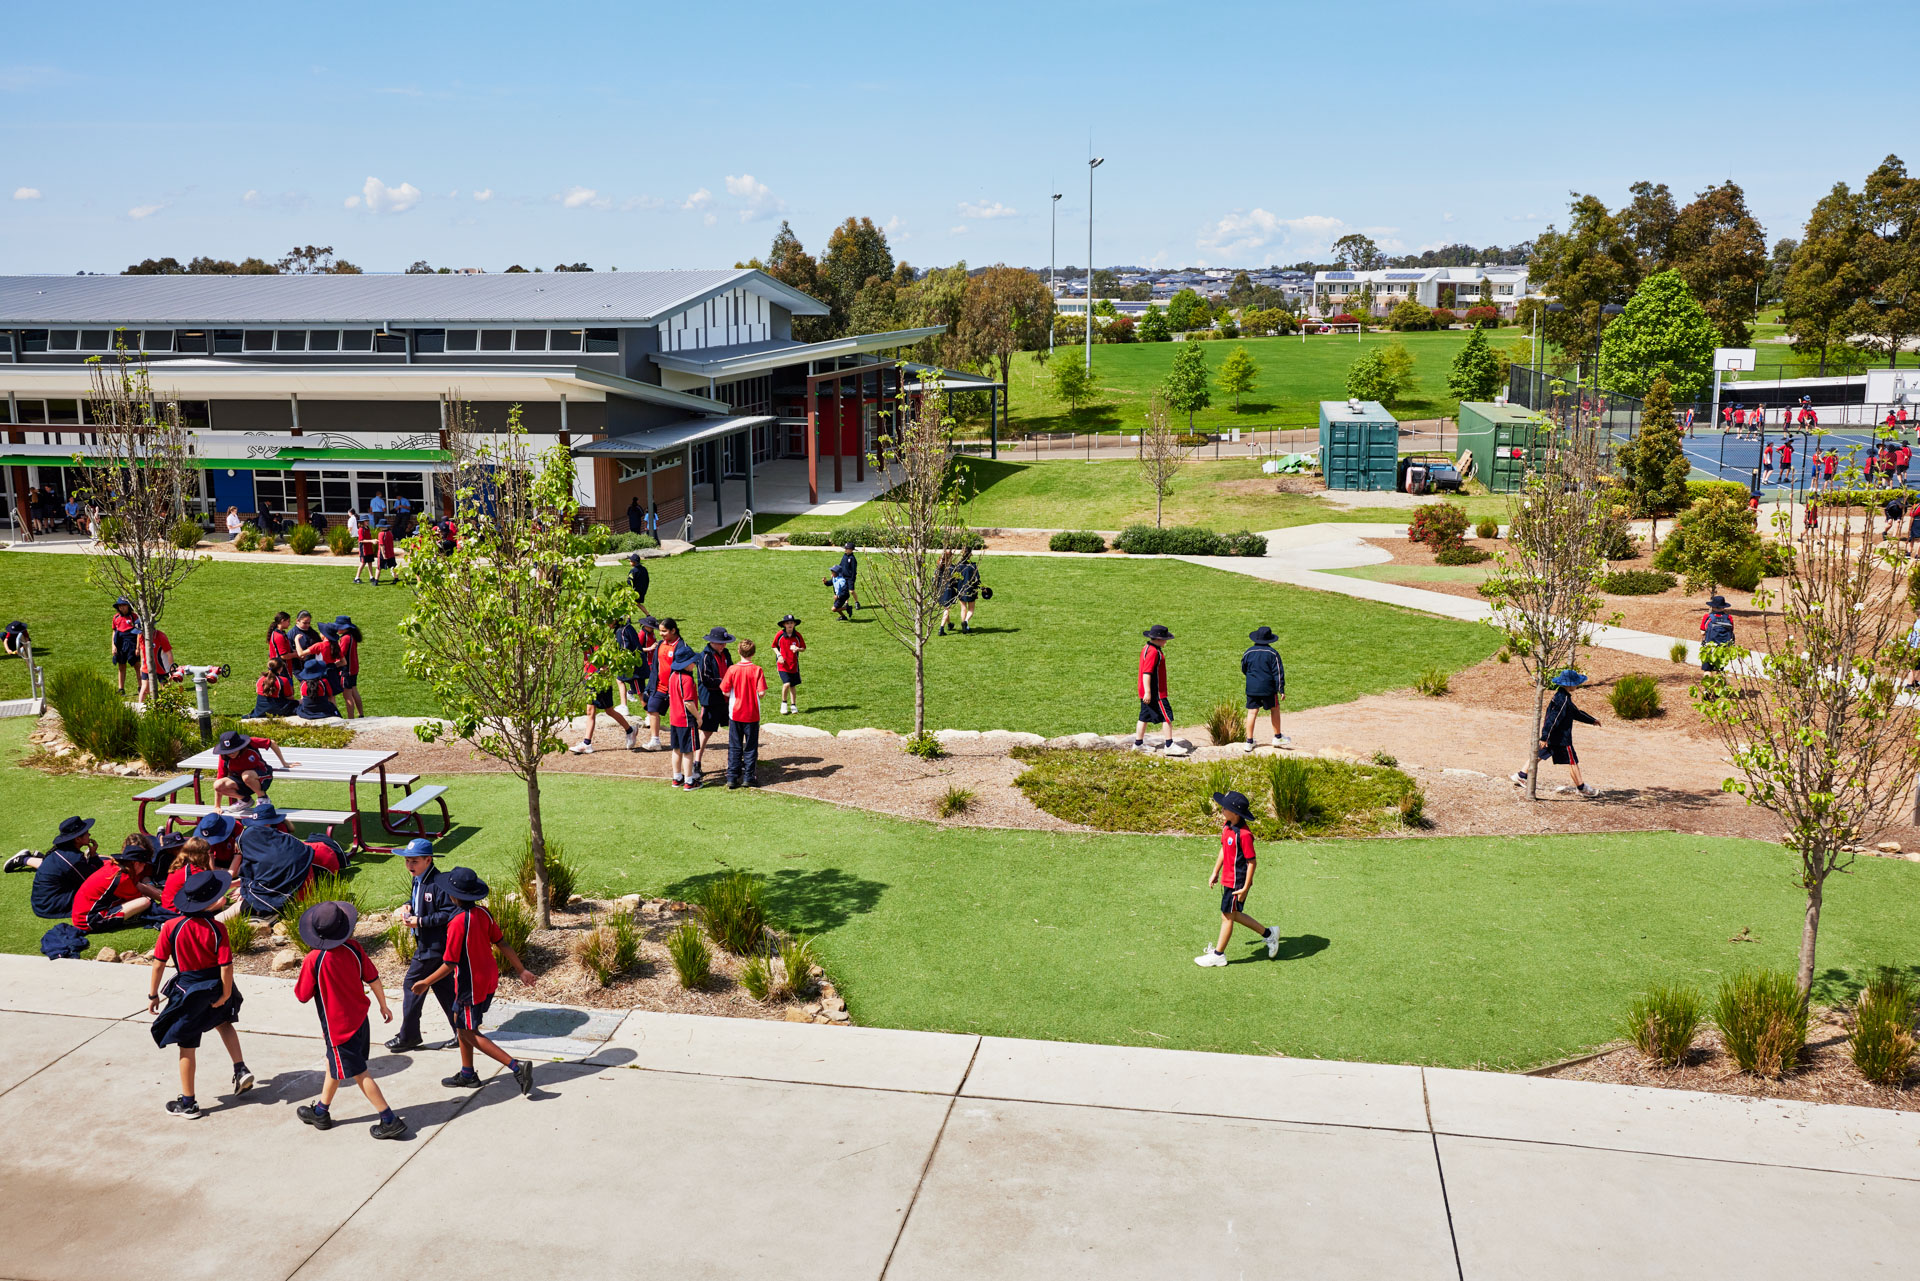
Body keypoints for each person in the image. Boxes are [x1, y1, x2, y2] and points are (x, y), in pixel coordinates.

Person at [412, 867, 537, 1097]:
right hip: (488, 977)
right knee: (461, 1023)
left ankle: (517, 1067)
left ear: (453, 896)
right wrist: (522, 970)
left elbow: (449, 963)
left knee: (468, 1032)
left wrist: (425, 982)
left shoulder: (457, 923)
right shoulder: (484, 913)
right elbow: (503, 943)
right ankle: (467, 1073)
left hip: (471, 984)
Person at [292, 901, 408, 1140]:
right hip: (360, 1021)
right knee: (333, 1064)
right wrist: (383, 1005)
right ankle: (321, 1112)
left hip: (338, 1029)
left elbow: (302, 995)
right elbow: (373, 977)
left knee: (359, 1073)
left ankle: (389, 1120)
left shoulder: (314, 959)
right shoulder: (354, 948)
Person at [148, 869, 252, 1119]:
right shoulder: (217, 928)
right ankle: (240, 1068)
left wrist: (153, 995)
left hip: (188, 992)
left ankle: (188, 1102)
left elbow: (159, 963)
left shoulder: (171, 927)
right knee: (224, 1022)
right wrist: (226, 994)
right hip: (215, 985)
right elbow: (226, 966)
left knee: (187, 1046)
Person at [385, 838, 460, 1053]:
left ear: (428, 860)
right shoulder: (418, 878)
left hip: (432, 947)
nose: (410, 865)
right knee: (444, 990)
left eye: (414, 861)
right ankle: (462, 1031)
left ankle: (409, 1036)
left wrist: (420, 921)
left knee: (412, 986)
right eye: (407, 861)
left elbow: (448, 913)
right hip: (427, 944)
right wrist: (410, 906)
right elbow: (420, 901)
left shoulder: (438, 883)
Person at [1194, 790, 1281, 968]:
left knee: (1227, 916)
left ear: (1235, 812)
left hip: (1237, 882)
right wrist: (1215, 872)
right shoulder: (1227, 827)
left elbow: (1252, 862)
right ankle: (1269, 934)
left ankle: (1218, 955)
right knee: (1233, 914)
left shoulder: (1245, 835)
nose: (1221, 809)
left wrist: (1246, 886)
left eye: (1224, 807)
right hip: (1227, 879)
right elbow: (1223, 850)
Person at [1511, 670, 1600, 797]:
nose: (1577, 685)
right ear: (1569, 685)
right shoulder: (1562, 700)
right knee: (1572, 761)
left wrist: (1592, 720)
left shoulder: (1562, 697)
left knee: (1540, 754)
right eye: (1575, 683)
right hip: (1561, 738)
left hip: (1553, 737)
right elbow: (1553, 719)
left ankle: (1521, 775)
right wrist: (1544, 736)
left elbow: (1576, 713)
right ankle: (1581, 788)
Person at [6, 815, 104, 920]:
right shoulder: (73, 859)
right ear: (78, 839)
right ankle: (24, 859)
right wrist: (94, 857)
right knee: (101, 896)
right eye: (86, 832)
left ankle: (25, 859)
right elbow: (94, 881)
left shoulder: (64, 851)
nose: (89, 834)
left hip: (42, 902)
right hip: (51, 906)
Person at [72, 837, 162, 934]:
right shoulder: (122, 878)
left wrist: (163, 897)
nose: (144, 867)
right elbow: (140, 897)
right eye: (143, 864)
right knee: (145, 902)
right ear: (136, 863)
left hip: (82, 914)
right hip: (89, 921)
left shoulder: (117, 867)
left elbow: (139, 886)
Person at [571, 633, 637, 754]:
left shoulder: (598, 647)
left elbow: (606, 665)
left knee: (609, 710)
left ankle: (629, 730)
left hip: (600, 682)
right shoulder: (585, 646)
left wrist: (599, 671)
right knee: (590, 711)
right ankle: (587, 743)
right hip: (590, 680)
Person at [720, 637, 767, 789]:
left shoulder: (732, 669)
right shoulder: (757, 670)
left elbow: (725, 691)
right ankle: (749, 776)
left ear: (739, 651)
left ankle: (732, 777)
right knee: (751, 747)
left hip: (735, 713)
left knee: (734, 745)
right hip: (752, 714)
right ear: (753, 653)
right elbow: (761, 693)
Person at [1240, 625, 1291, 751]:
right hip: (1268, 688)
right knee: (1275, 709)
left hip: (1252, 688)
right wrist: (1281, 689)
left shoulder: (1248, 652)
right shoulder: (1273, 653)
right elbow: (1278, 673)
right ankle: (1277, 737)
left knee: (1252, 712)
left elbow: (1243, 668)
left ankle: (1249, 742)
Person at [210, 728, 292, 805]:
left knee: (246, 775)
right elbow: (220, 777)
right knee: (218, 785)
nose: (231, 753)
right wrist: (217, 806)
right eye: (228, 751)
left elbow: (271, 743)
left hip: (262, 776)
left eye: (234, 750)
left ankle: (263, 798)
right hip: (242, 781)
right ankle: (245, 800)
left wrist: (284, 763)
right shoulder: (224, 757)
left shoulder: (251, 743)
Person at [694, 626, 734, 781]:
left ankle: (736, 760)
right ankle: (696, 763)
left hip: (726, 699)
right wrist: (725, 682)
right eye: (720, 643)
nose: (723, 645)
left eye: (724, 643)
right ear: (712, 642)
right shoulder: (704, 656)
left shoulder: (726, 653)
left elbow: (730, 670)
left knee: (734, 728)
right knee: (705, 731)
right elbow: (706, 679)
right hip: (711, 700)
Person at [640, 618, 685, 752]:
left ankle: (682, 740)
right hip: (660, 686)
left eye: (664, 631)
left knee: (679, 715)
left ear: (673, 630)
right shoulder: (660, 645)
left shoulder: (681, 647)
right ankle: (655, 741)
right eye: (660, 631)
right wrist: (650, 686)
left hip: (675, 689)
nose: (661, 634)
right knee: (652, 708)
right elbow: (655, 667)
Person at [1134, 625, 1175, 753]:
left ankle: (1138, 744)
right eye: (1164, 639)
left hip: (1147, 692)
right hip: (1156, 693)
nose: (1165, 641)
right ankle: (1169, 745)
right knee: (1167, 717)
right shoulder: (1154, 652)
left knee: (1144, 717)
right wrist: (1148, 692)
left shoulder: (1147, 648)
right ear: (1157, 639)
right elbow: (1147, 673)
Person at [666, 645, 701, 789]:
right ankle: (689, 781)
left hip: (674, 719)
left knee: (676, 749)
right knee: (688, 751)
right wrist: (698, 717)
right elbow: (688, 702)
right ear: (686, 664)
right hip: (686, 720)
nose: (694, 664)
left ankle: (677, 777)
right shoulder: (687, 679)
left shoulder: (672, 676)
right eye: (692, 661)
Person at [160, 836, 218, 915]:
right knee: (221, 900)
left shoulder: (180, 865)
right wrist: (238, 883)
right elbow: (213, 886)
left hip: (167, 907)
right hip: (177, 911)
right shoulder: (193, 871)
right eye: (208, 853)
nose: (210, 856)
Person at [937, 549, 981, 635]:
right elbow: (977, 579)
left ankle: (952, 625)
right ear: (970, 555)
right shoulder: (971, 566)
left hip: (958, 590)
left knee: (962, 608)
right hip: (970, 589)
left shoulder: (956, 566)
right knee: (971, 609)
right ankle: (965, 622)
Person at [330, 616, 364, 717]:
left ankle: (351, 718)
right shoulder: (352, 636)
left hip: (346, 670)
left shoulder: (345, 638)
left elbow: (341, 654)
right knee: (354, 691)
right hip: (353, 669)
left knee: (347, 696)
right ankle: (361, 714)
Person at [136, 621, 177, 703]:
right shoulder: (141, 636)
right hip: (147, 667)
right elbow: (142, 652)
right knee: (144, 689)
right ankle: (139, 710)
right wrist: (142, 665)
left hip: (162, 668)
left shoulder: (161, 636)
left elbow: (169, 653)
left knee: (166, 689)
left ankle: (168, 709)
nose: (140, 633)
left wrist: (171, 668)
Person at [773, 614, 805, 715]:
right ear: (784, 625)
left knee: (792, 685)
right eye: (787, 623)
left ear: (794, 624)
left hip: (794, 664)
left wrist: (798, 649)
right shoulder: (780, 635)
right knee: (786, 683)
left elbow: (803, 647)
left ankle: (793, 705)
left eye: (791, 623)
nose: (790, 625)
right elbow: (774, 646)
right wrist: (779, 656)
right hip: (782, 664)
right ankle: (784, 704)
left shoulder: (798, 636)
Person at [1699, 594, 1737, 672]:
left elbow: (1702, 632)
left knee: (1707, 670)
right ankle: (1719, 684)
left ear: (1713, 606)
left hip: (1710, 646)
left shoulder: (1708, 617)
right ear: (1723, 607)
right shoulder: (1729, 617)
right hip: (1723, 647)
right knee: (1719, 670)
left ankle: (1708, 684)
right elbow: (1731, 630)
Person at [110, 598, 140, 694]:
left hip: (132, 643)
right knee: (121, 665)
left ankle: (140, 686)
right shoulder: (116, 617)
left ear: (128, 606)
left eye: (124, 605)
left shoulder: (134, 617)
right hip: (120, 643)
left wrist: (137, 647)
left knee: (136, 665)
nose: (121, 607)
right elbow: (114, 631)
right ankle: (121, 688)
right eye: (120, 606)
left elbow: (139, 632)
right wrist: (113, 646)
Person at [834, 543, 861, 611]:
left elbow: (854, 570)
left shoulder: (852, 559)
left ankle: (857, 602)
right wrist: (836, 571)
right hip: (843, 577)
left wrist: (852, 578)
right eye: (845, 549)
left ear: (851, 550)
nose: (845, 550)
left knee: (851, 591)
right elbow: (841, 565)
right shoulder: (844, 556)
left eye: (847, 549)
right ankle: (846, 603)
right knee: (845, 591)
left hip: (850, 578)